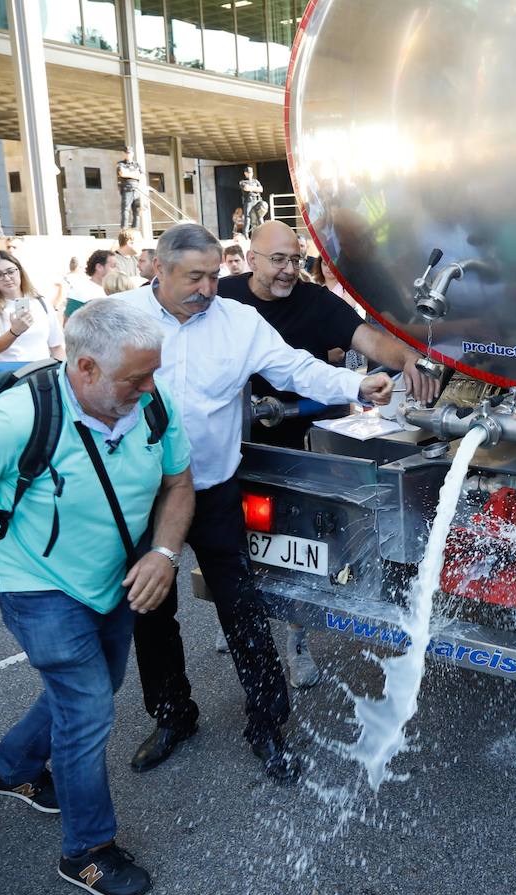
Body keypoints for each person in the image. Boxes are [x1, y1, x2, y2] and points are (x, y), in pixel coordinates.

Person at [0, 297, 194, 895]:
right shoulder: (17, 419)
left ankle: (10, 768)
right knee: (86, 709)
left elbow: (179, 484)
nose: (150, 388)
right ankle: (87, 852)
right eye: (136, 378)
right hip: (36, 584)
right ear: (84, 370)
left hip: (113, 579)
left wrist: (164, 553)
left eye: (153, 373)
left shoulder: (151, 405)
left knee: (93, 689)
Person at [115, 223, 394, 782]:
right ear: (158, 269)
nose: (207, 288)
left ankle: (266, 725)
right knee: (150, 610)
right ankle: (172, 715)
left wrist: (352, 386)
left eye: (214, 275)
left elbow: (293, 366)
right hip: (142, 494)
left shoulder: (238, 321)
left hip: (215, 488)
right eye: (194, 276)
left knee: (242, 605)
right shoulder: (118, 317)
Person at [216, 220, 438, 687]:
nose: (288, 270)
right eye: (278, 260)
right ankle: (237, 613)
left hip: (296, 442)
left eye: (296, 260)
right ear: (250, 256)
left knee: (301, 546)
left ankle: (297, 643)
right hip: (225, 443)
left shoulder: (316, 302)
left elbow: (368, 340)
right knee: (229, 543)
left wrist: (408, 359)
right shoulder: (222, 297)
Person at [0, 250, 65, 364]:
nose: (7, 278)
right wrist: (15, 331)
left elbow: (56, 347)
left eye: (11, 271)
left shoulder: (40, 302)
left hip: (41, 373)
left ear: (20, 271)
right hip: (10, 376)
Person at [117, 148, 145, 230]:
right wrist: (135, 174)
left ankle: (135, 229)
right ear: (124, 154)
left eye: (129, 153)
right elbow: (122, 173)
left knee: (137, 210)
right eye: (126, 153)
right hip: (127, 189)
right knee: (125, 210)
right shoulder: (120, 164)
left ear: (132, 154)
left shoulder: (137, 164)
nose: (128, 154)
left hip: (137, 189)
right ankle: (124, 229)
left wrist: (129, 174)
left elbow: (142, 175)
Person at [239, 167, 264, 237]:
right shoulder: (243, 182)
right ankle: (246, 235)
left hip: (257, 200)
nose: (250, 174)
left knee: (260, 217)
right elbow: (246, 188)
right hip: (248, 201)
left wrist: (251, 188)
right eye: (248, 173)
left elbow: (261, 189)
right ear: (245, 173)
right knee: (247, 218)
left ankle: (264, 232)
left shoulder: (255, 181)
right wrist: (255, 189)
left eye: (251, 172)